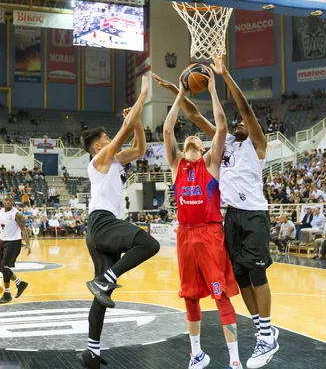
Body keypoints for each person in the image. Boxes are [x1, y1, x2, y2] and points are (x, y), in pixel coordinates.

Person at [152, 57, 279, 368]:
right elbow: (194, 115)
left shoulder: (256, 144)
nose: (238, 123)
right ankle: (264, 330)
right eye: (234, 123)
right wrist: (178, 90)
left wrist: (222, 78)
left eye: (242, 124)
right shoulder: (223, 150)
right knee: (239, 275)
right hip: (230, 217)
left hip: (254, 213)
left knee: (257, 272)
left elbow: (244, 110)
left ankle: (265, 336)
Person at [78, 76, 160, 368]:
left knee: (102, 296)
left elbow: (139, 148)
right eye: (106, 139)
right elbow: (124, 132)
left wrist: (135, 121)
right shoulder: (98, 161)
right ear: (99, 146)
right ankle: (105, 278)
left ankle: (91, 353)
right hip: (103, 222)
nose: (110, 140)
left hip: (99, 227)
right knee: (148, 242)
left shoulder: (114, 161)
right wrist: (144, 96)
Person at [163, 66, 240, 369]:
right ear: (183, 149)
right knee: (189, 297)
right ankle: (196, 354)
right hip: (185, 235)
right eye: (188, 139)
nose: (192, 138)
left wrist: (210, 89)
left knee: (220, 296)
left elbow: (220, 128)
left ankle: (234, 360)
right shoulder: (176, 166)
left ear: (203, 147)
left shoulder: (210, 163)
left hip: (209, 234)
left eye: (196, 138)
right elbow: (168, 130)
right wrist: (181, 92)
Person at [0, 195, 31, 304]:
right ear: (3, 201)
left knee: (4, 267)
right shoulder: (0, 212)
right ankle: (20, 283)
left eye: (10, 200)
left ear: (13, 201)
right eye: (6, 200)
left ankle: (7, 293)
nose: (8, 202)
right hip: (3, 241)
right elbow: (1, 228)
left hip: (14, 242)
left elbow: (23, 228)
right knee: (0, 267)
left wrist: (28, 244)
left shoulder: (16, 214)